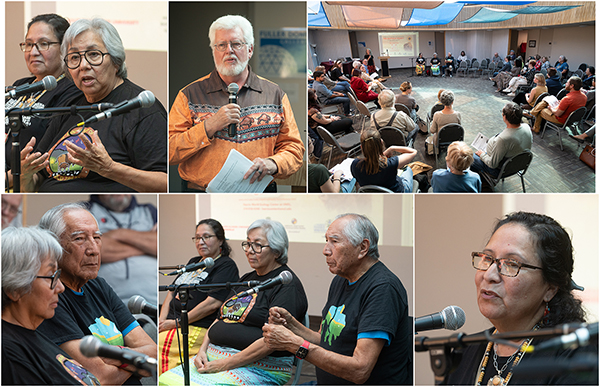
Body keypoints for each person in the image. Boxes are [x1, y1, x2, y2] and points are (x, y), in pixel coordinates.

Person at [447, 212, 598, 385]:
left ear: (550, 288)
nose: (489, 275)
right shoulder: (464, 350)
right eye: (487, 258)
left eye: (511, 264)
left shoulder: (575, 355)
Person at [18, 18, 167, 193]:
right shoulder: (69, 106)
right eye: (74, 58)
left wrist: (109, 168)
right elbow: (37, 180)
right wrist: (25, 176)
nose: (83, 65)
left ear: (116, 61)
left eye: (94, 55)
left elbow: (165, 184)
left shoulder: (142, 108)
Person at [263, 213, 411, 385]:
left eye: (334, 241)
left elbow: (360, 370)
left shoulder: (383, 288)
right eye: (326, 240)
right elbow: (326, 340)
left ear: (363, 248)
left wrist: (293, 344)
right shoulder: (341, 280)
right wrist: (290, 325)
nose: (325, 250)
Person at [159, 219, 308, 386]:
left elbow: (274, 339)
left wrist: (224, 364)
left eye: (257, 245)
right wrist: (202, 350)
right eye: (247, 244)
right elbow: (220, 317)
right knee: (165, 380)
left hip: (259, 366)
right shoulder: (246, 279)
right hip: (215, 355)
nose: (250, 251)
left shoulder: (286, 284)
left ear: (277, 251)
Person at [169, 15, 304, 192]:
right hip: (202, 193)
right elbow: (170, 150)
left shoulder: (275, 94)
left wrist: (273, 163)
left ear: (250, 50)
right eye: (221, 45)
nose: (229, 50)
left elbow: (294, 149)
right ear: (213, 51)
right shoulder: (189, 94)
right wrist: (208, 126)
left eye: (236, 44)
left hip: (259, 193)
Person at [37, 203, 157, 385]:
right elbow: (99, 377)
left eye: (97, 237)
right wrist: (135, 361)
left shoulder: (98, 285)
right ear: (53, 246)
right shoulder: (52, 297)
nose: (94, 250)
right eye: (79, 239)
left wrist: (112, 358)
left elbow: (154, 354)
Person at [2, 226, 100, 385]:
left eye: (58, 275)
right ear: (14, 288)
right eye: (50, 277)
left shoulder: (34, 334)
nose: (60, 288)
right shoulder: (9, 353)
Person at [158, 218, 240, 374]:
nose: (200, 242)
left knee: (159, 345)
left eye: (206, 237)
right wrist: (162, 321)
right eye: (197, 238)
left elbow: (213, 303)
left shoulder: (226, 265)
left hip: (196, 326)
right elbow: (171, 291)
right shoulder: (194, 261)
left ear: (220, 240)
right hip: (172, 323)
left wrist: (177, 323)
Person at [5, 14, 83, 173]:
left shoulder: (71, 92)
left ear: (64, 48)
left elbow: (43, 158)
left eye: (43, 44)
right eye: (28, 44)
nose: (33, 52)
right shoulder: (20, 85)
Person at [84, 195, 157, 306]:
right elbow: (93, 250)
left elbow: (157, 244)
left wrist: (118, 234)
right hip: (105, 306)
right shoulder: (85, 211)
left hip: (152, 304)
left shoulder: (149, 211)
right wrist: (146, 246)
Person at [472, 102, 532, 178]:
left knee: (471, 157)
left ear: (505, 117)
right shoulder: (527, 127)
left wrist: (481, 154)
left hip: (500, 170)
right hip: (518, 165)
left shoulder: (503, 139)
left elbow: (492, 164)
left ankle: (481, 181)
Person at [351, 128, 416, 193]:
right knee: (408, 169)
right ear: (381, 143)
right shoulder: (390, 163)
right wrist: (392, 148)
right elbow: (413, 152)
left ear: (362, 147)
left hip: (372, 198)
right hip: (396, 197)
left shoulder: (355, 165)